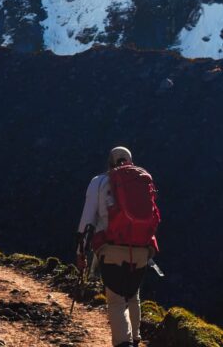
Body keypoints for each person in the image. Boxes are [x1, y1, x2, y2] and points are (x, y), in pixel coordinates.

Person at [77, 146, 160, 347]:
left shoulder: (99, 183)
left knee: (116, 300)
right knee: (132, 295)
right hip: (141, 249)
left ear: (110, 162)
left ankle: (123, 343)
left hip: (111, 249)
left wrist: (81, 253)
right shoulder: (142, 180)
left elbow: (87, 221)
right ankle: (135, 338)